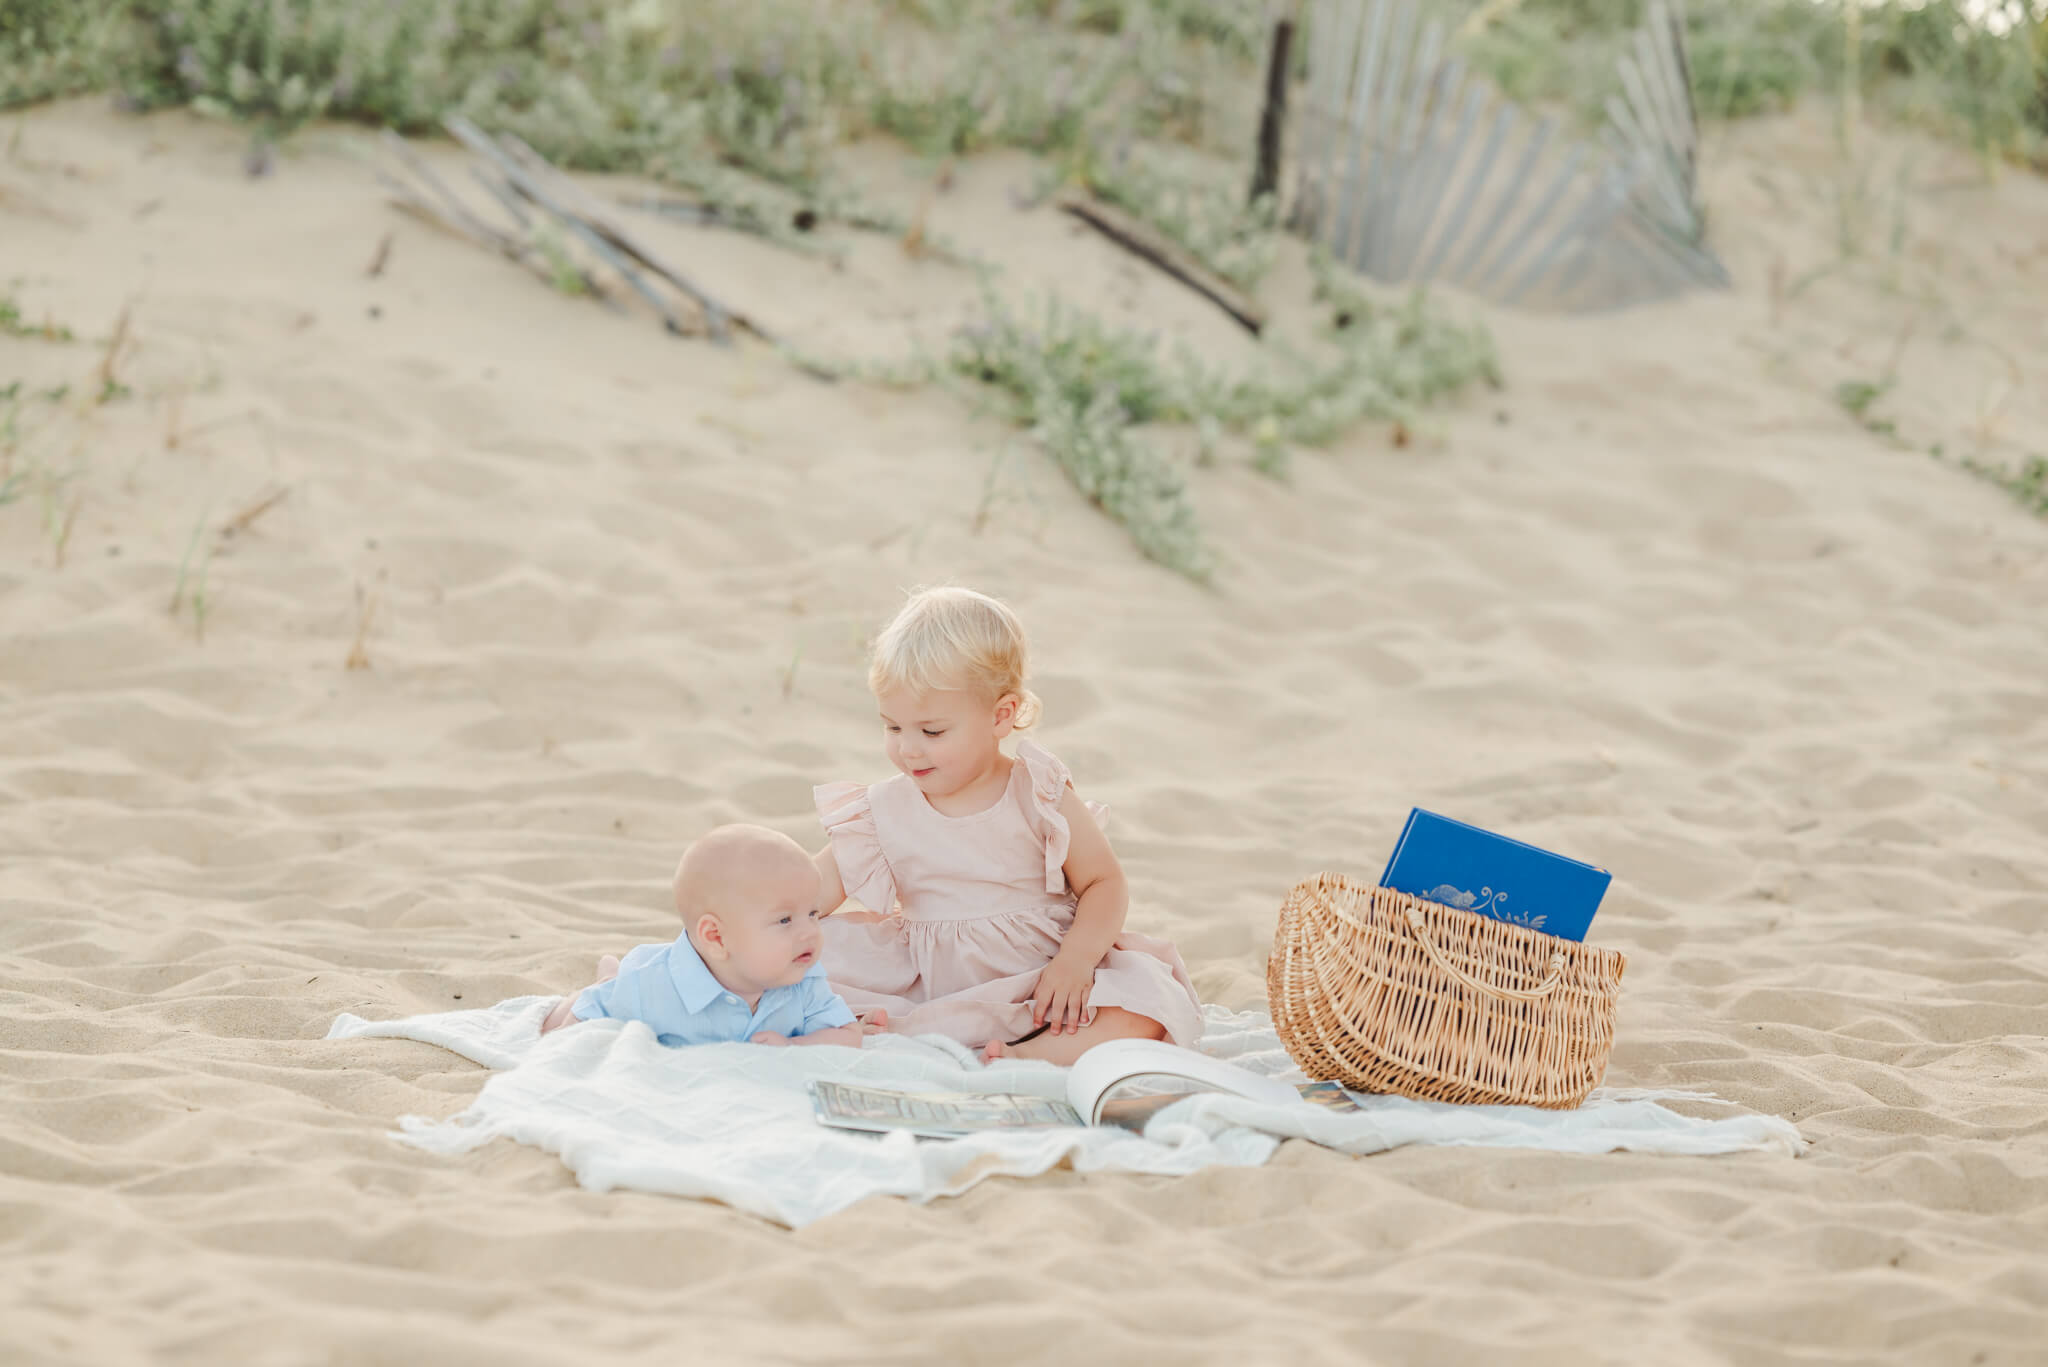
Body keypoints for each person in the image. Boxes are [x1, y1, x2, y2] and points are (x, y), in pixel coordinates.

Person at [813, 586, 1201, 1065]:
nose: (908, 749)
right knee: (807, 956)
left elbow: (1104, 882)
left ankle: (1027, 1056)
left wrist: (1075, 963)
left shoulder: (1037, 793)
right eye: (893, 727)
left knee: (1148, 999)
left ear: (1001, 715)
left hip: (1041, 983)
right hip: (933, 985)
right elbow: (810, 893)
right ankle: (916, 1033)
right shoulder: (885, 809)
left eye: (931, 731)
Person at [540, 824, 861, 1048]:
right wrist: (554, 1041)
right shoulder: (651, 987)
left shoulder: (803, 980)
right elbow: (583, 1016)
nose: (809, 931)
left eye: (813, 914)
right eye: (785, 920)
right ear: (717, 938)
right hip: (636, 975)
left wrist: (794, 1044)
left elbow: (847, 1034)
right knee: (605, 989)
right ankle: (608, 973)